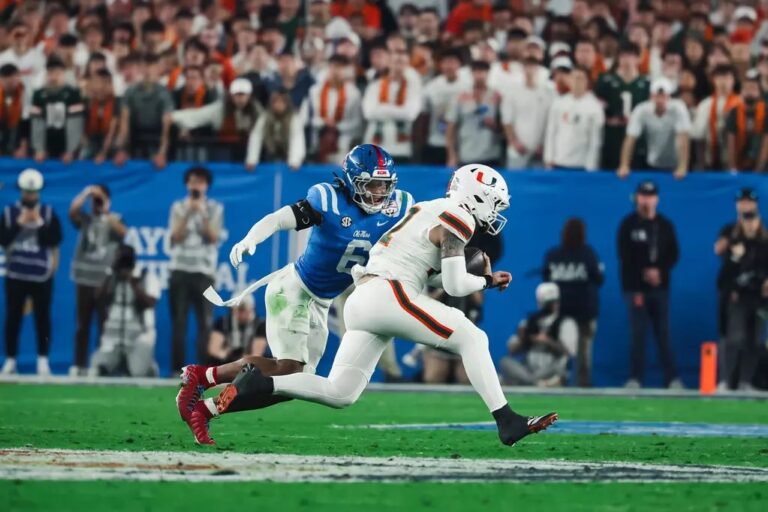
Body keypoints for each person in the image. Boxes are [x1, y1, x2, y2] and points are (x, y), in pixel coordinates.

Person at [193, 164, 557, 448]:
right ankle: (506, 419)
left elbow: (426, 271)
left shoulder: (426, 208)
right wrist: (487, 281)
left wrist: (468, 273)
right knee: (472, 337)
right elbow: (453, 284)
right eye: (494, 203)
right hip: (387, 293)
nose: (495, 212)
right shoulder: (458, 216)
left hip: (365, 298)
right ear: (476, 196)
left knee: (340, 392)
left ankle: (242, 393)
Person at [175, 144, 415, 444]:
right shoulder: (328, 199)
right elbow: (280, 218)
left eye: (385, 185)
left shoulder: (400, 206)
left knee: (292, 383)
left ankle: (206, 403)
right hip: (294, 290)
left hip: (321, 301)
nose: (379, 193)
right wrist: (252, 238)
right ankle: (202, 379)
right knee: (288, 371)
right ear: (353, 180)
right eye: (371, 184)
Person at [617, 181, 682, 389]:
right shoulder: (628, 224)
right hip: (636, 288)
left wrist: (659, 272)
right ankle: (635, 378)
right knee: (638, 334)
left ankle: (671, 378)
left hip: (660, 288)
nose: (647, 200)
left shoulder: (664, 225)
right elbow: (625, 257)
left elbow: (673, 254)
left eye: (651, 196)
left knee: (663, 333)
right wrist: (640, 280)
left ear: (657, 199)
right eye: (643, 196)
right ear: (637, 198)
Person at [0, 169, 62, 376]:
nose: (30, 196)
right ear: (21, 191)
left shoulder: (48, 212)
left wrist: (39, 222)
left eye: (33, 192)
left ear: (39, 192)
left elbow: (54, 239)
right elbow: (3, 240)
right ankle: (10, 359)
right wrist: (19, 224)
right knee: (13, 317)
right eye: (27, 192)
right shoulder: (10, 213)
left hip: (41, 275)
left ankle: (43, 360)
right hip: (16, 273)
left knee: (42, 318)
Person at [168, 166, 224, 375]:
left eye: (200, 182)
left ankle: (203, 373)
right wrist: (189, 212)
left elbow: (213, 237)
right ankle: (176, 371)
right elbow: (176, 236)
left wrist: (202, 213)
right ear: (186, 184)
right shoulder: (178, 207)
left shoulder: (215, 208)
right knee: (179, 323)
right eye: (192, 182)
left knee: (205, 324)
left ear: (206, 185)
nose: (196, 186)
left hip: (204, 272)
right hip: (180, 270)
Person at [68, 184, 126, 376]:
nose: (97, 203)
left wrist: (106, 211)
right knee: (82, 323)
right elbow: (72, 212)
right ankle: (79, 364)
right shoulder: (86, 218)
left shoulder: (114, 218)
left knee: (104, 324)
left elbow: (123, 233)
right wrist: (86, 193)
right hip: (84, 278)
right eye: (95, 200)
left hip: (104, 280)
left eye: (100, 199)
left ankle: (99, 365)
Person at [714, 188, 768, 390]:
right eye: (742, 203)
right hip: (735, 293)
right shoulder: (730, 233)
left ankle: (746, 381)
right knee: (734, 337)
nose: (748, 218)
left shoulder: (764, 237)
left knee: (754, 339)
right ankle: (726, 380)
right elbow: (724, 265)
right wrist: (735, 254)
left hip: (758, 295)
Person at [543, 218, 603, 387]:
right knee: (584, 352)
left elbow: (546, 282)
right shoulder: (588, 254)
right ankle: (583, 386)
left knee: (560, 351)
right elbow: (599, 278)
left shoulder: (553, 255)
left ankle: (558, 382)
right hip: (585, 310)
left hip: (561, 312)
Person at [89, 244, 160, 377]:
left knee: (136, 373)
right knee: (95, 370)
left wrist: (133, 283)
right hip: (113, 342)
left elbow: (150, 303)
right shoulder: (111, 277)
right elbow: (98, 298)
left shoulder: (145, 276)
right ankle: (118, 364)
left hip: (137, 341)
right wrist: (111, 271)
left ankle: (149, 366)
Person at [500, 283, 578, 387]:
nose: (553, 305)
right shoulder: (529, 321)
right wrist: (522, 338)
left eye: (554, 302)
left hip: (549, 367)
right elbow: (512, 350)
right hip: (529, 367)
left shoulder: (565, 322)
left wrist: (547, 341)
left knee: (561, 365)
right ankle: (535, 383)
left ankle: (525, 382)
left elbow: (569, 353)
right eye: (548, 303)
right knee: (504, 362)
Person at [170, 77, 263, 165]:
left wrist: (252, 159)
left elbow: (256, 136)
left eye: (243, 95)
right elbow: (198, 115)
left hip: (245, 150)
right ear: (231, 95)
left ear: (249, 96)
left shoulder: (258, 112)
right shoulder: (220, 109)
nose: (240, 99)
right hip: (223, 151)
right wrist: (174, 116)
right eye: (237, 95)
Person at [617, 77, 691, 179]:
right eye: (657, 96)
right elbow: (630, 138)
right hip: (652, 162)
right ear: (651, 96)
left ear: (669, 96)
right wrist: (624, 165)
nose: (660, 100)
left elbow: (683, 137)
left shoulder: (678, 108)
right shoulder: (641, 110)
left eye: (663, 96)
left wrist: (682, 166)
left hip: (675, 163)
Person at [594, 42, 650, 170]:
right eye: (623, 56)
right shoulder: (605, 82)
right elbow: (598, 109)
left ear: (638, 59)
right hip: (612, 137)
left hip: (638, 139)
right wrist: (608, 119)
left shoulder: (647, 83)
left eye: (631, 56)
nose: (627, 60)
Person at [362, 46, 422, 162]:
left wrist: (381, 108)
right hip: (375, 145)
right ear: (388, 63)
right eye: (395, 62)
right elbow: (368, 113)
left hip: (401, 147)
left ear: (407, 65)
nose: (398, 65)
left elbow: (410, 114)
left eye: (402, 62)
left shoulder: (413, 87)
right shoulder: (375, 86)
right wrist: (399, 110)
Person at [114, 53, 173, 168]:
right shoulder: (130, 92)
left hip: (156, 138)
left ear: (158, 69)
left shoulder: (164, 94)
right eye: (145, 66)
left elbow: (167, 128)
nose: (148, 71)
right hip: (135, 137)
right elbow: (124, 124)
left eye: (152, 67)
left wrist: (162, 153)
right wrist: (121, 149)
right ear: (140, 68)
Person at [544, 66, 604, 172]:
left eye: (580, 78)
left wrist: (591, 166)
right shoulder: (558, 103)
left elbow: (595, 140)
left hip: (581, 164)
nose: (576, 82)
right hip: (559, 161)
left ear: (588, 82)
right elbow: (551, 131)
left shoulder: (594, 107)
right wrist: (549, 158)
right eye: (573, 78)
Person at [306, 54, 363, 164]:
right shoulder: (314, 91)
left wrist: (336, 126)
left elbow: (357, 124)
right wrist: (323, 123)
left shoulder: (353, 93)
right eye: (333, 67)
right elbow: (309, 119)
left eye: (340, 67)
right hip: (318, 141)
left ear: (346, 71)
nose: (336, 71)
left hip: (343, 145)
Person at [445, 60, 502, 168]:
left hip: (491, 154)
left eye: (483, 71)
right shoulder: (460, 96)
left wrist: (495, 125)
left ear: (488, 73)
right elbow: (451, 128)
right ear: (471, 73)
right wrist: (451, 155)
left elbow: (505, 125)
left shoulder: (497, 96)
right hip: (466, 154)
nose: (480, 75)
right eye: (476, 71)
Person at [501, 56, 554, 169]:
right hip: (517, 150)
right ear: (523, 70)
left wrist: (544, 145)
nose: (530, 71)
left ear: (538, 70)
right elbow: (507, 121)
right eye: (527, 67)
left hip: (540, 151)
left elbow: (550, 122)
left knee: (539, 185)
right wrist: (514, 142)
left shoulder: (547, 93)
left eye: (533, 67)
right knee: (515, 184)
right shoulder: (512, 93)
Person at [30, 55, 84, 163]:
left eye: (57, 73)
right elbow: (37, 123)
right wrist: (39, 149)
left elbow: (75, 123)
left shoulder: (73, 94)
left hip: (66, 144)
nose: (53, 77)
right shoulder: (38, 95)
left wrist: (70, 150)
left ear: (64, 74)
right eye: (50, 73)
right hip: (47, 144)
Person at [420, 49, 468, 165]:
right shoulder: (431, 87)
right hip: (436, 142)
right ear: (440, 65)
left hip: (460, 144)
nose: (449, 66)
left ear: (459, 64)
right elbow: (424, 115)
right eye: (445, 62)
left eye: (452, 62)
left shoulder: (467, 87)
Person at [692, 65, 740, 171]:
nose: (723, 82)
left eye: (727, 78)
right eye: (720, 78)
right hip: (711, 158)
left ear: (734, 80)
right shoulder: (705, 105)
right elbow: (699, 136)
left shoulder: (740, 103)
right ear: (713, 80)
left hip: (737, 160)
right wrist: (701, 163)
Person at [248, 89, 306, 171]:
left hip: (287, 152)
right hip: (269, 153)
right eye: (276, 102)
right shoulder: (264, 117)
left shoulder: (294, 119)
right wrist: (252, 160)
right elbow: (256, 137)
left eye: (282, 102)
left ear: (287, 104)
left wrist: (295, 161)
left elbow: (297, 139)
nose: (279, 105)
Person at [207, 294, 268, 366]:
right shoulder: (223, 322)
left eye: (242, 310)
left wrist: (241, 359)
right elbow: (214, 350)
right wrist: (226, 354)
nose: (238, 313)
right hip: (226, 363)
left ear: (251, 308)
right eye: (235, 309)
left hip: (248, 366)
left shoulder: (260, 325)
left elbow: (256, 354)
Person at [727, 71, 768, 172]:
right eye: (746, 89)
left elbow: (766, 144)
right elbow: (730, 141)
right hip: (740, 155)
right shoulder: (734, 111)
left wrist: (758, 170)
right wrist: (733, 169)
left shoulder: (766, 111)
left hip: (762, 161)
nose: (749, 92)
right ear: (741, 92)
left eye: (753, 89)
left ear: (760, 93)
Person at [81, 69, 120, 163]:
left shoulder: (116, 103)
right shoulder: (88, 103)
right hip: (92, 142)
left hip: (110, 142)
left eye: (105, 83)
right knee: (84, 156)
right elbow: (83, 132)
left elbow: (112, 131)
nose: (99, 87)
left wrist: (103, 153)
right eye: (96, 83)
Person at [0, 63, 29, 158]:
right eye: (6, 77)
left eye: (13, 77)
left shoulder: (25, 93)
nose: (9, 81)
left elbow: (26, 122)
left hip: (18, 133)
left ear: (19, 78)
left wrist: (23, 147)